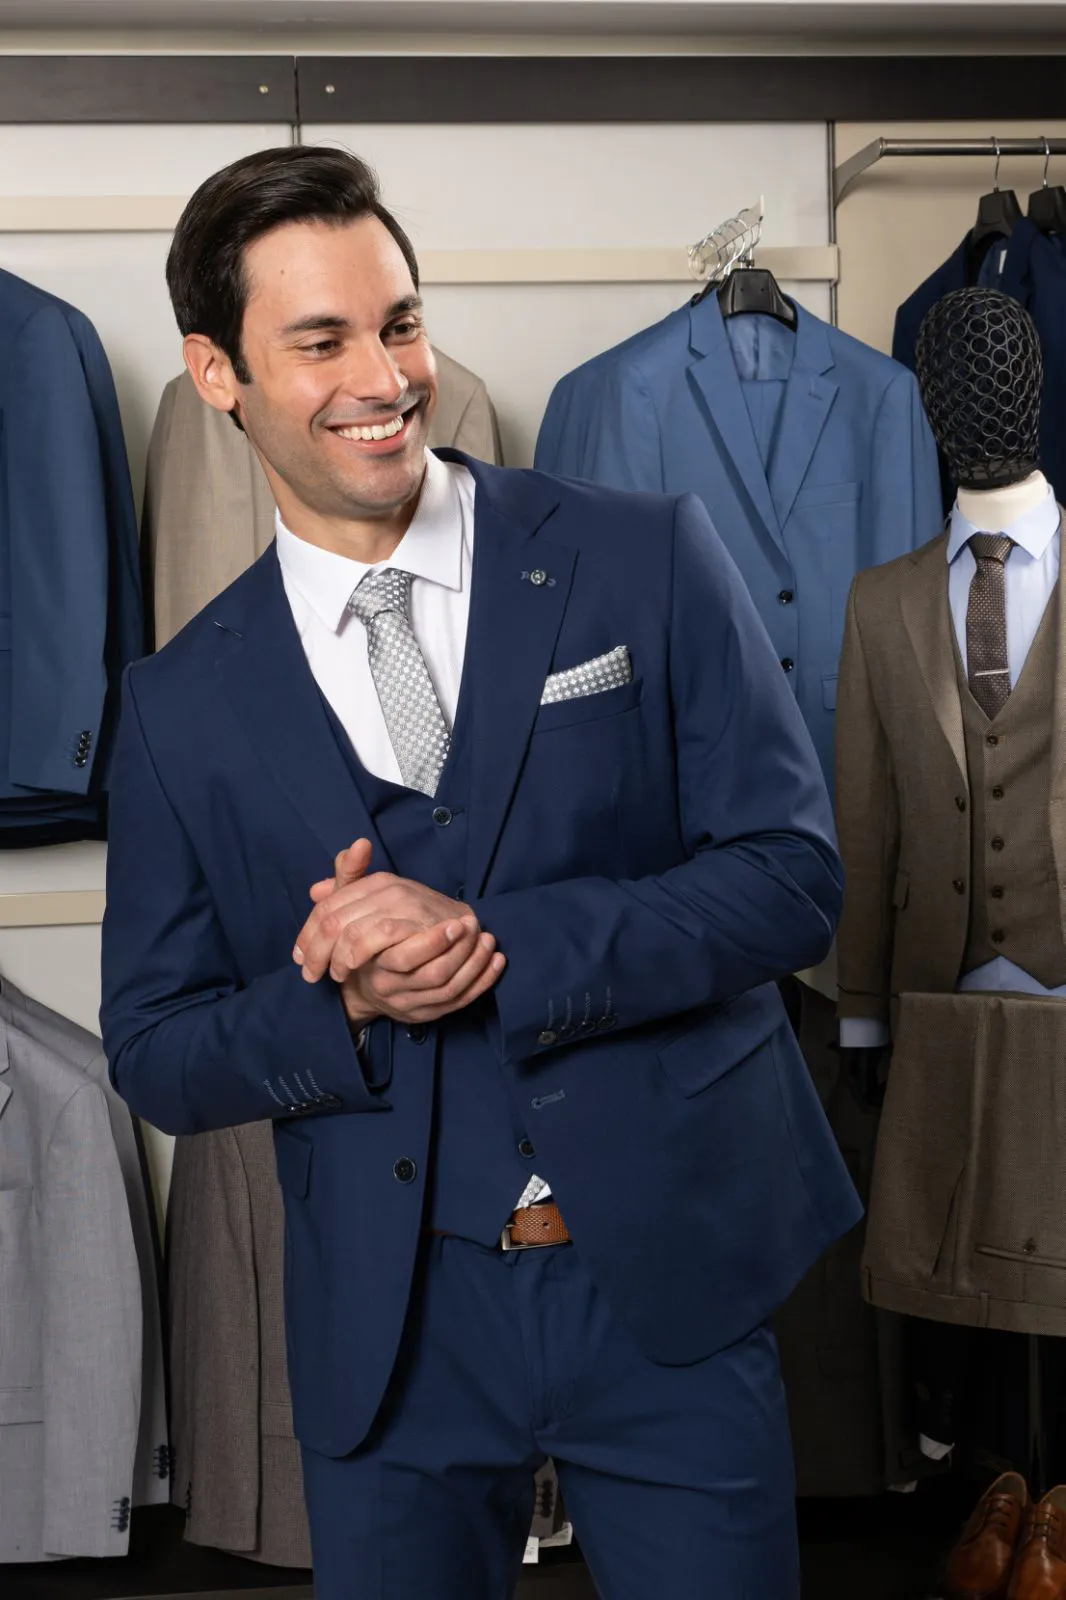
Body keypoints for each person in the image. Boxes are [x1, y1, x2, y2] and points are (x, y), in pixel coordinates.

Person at [100, 145, 861, 1600]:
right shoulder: (181, 703)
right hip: (396, 1325)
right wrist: (346, 1003)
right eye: (320, 342)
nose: (385, 377)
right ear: (215, 373)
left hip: (665, 1284)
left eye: (399, 323)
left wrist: (495, 942)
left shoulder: (641, 557)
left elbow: (791, 878)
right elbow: (156, 1050)